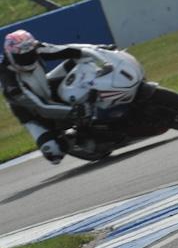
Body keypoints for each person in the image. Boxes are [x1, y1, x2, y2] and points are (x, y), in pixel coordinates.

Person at [0, 30, 108, 164]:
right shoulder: (10, 81)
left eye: (30, 53)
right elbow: (41, 107)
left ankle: (107, 88)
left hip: (46, 88)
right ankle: (71, 137)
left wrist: (99, 49)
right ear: (11, 54)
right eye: (23, 56)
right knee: (53, 153)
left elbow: (67, 50)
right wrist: (74, 111)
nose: (28, 58)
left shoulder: (37, 48)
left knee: (80, 60)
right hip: (33, 113)